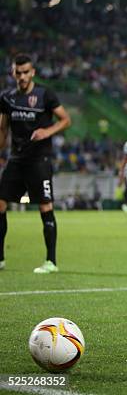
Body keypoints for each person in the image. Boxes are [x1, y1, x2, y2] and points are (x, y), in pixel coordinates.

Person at [0, 53, 71, 273]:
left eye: (25, 72)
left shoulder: (45, 94)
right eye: (17, 72)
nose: (21, 76)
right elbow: (3, 128)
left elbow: (66, 120)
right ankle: (0, 258)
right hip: (16, 159)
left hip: (39, 160)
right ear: (13, 73)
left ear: (32, 72)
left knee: (45, 206)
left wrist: (46, 132)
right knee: (0, 204)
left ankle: (51, 261)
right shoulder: (7, 98)